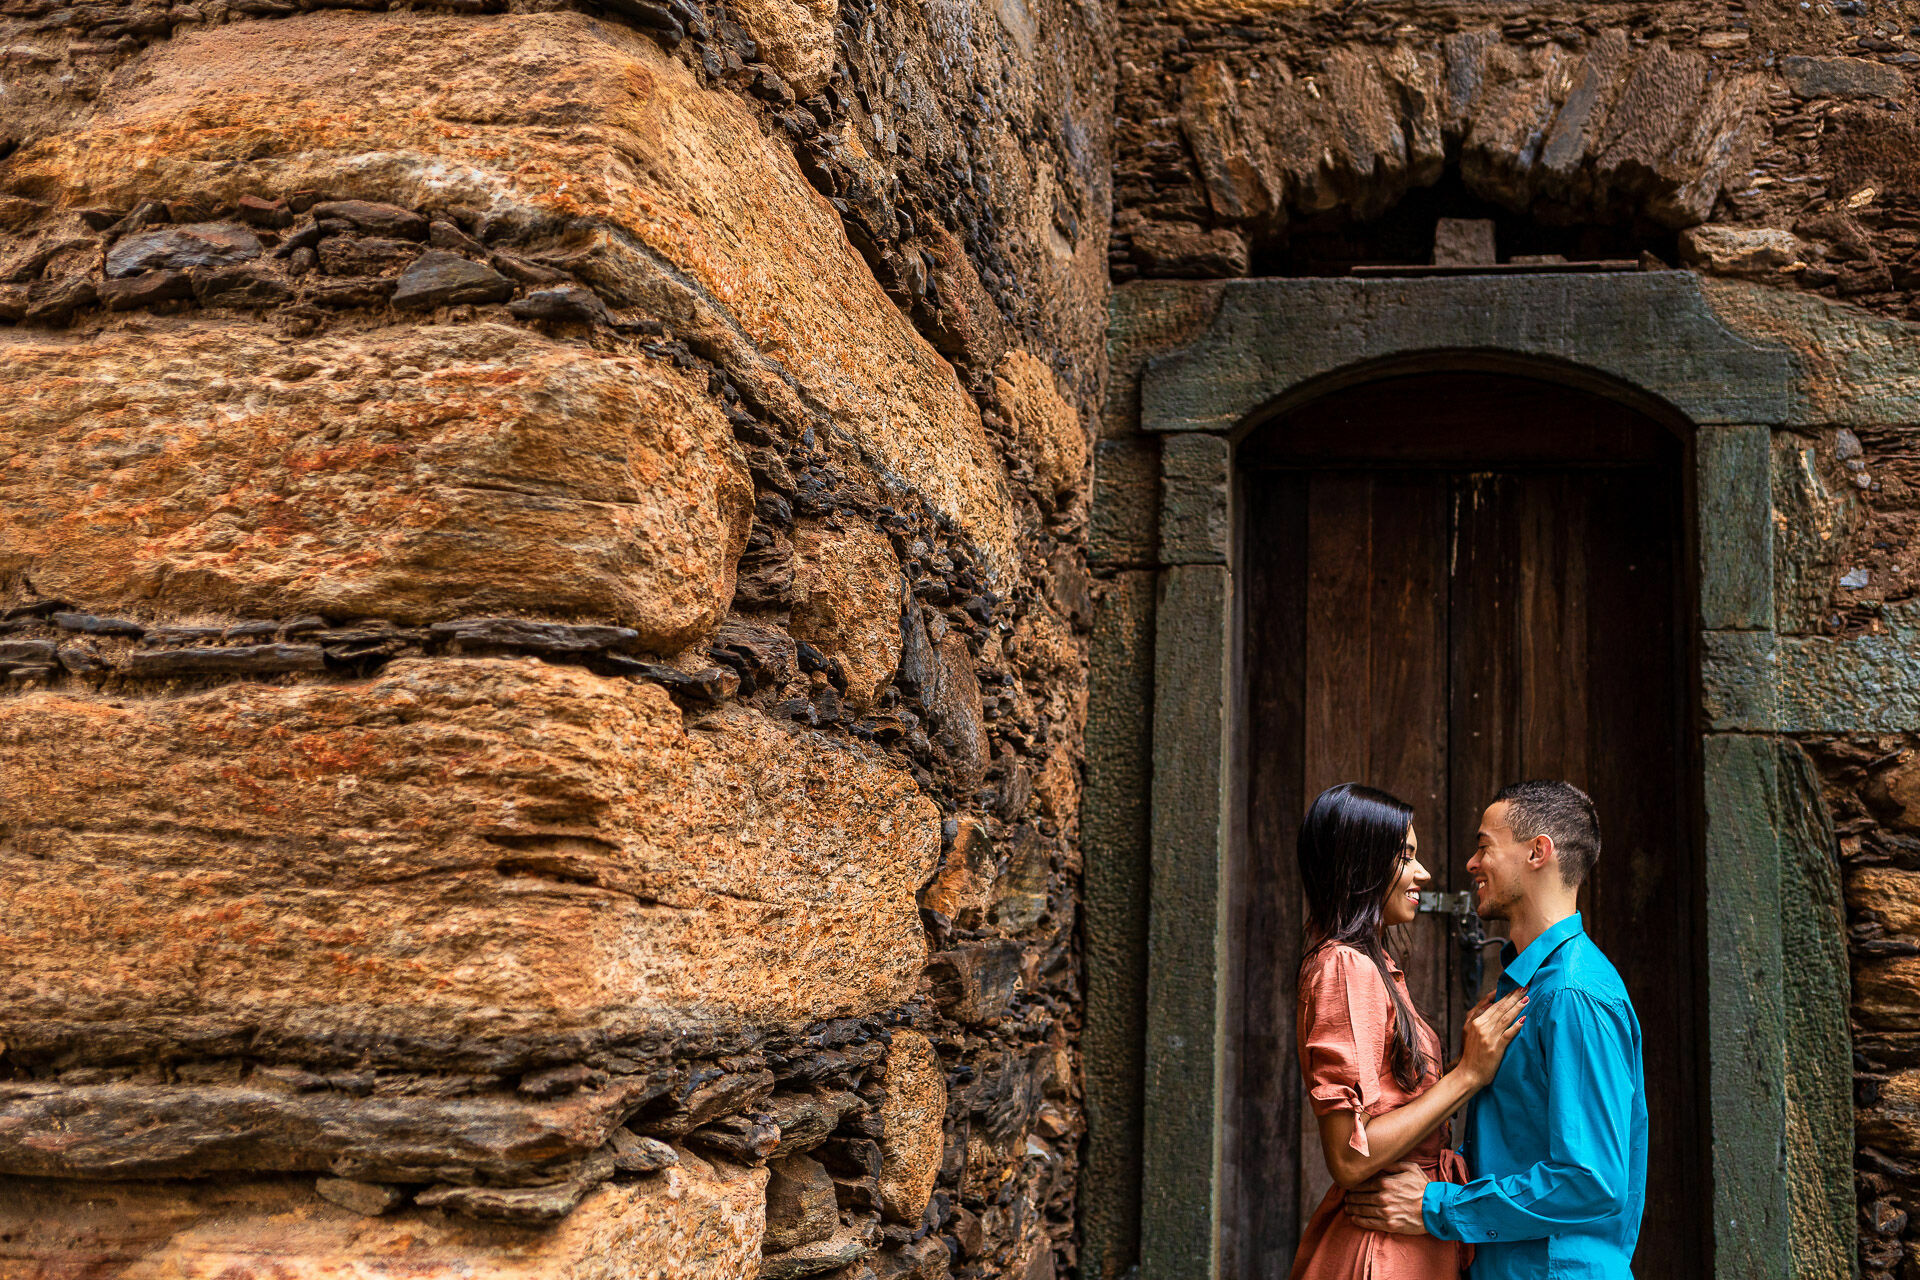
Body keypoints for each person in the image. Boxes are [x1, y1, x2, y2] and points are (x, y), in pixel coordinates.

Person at [1344, 780, 1649, 1280]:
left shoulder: (1574, 994)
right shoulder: (1527, 988)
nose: (1470, 863)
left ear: (1538, 852)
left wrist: (1438, 1206)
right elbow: (1516, 1149)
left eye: (1485, 846)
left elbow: (1590, 1180)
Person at [1289, 782, 1529, 1280]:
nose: (1422, 873)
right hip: (1381, 1250)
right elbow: (1350, 1159)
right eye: (1405, 857)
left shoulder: (1371, 967)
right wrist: (1466, 1076)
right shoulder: (1344, 967)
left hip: (1407, 1237)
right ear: (1362, 863)